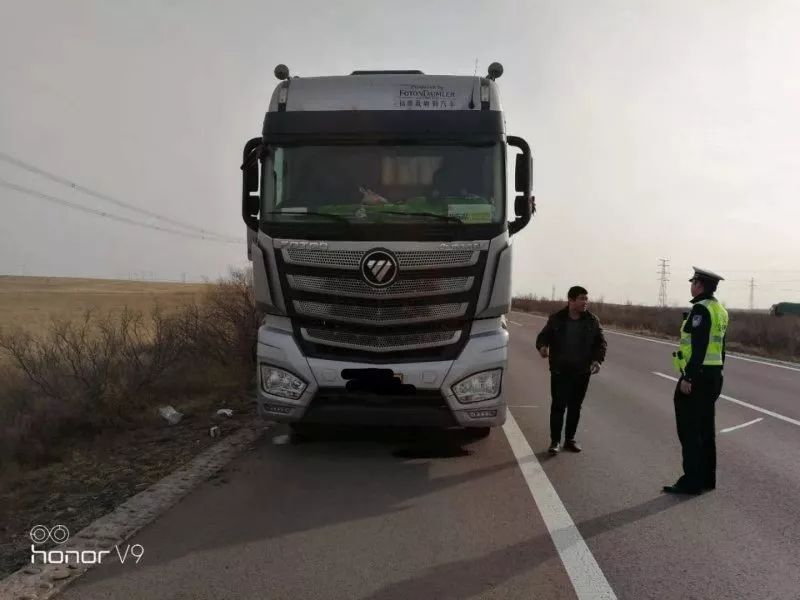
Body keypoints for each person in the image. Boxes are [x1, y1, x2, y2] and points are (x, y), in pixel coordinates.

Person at [663, 267, 729, 495]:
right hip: (713, 375)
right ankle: (707, 479)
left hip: (697, 377)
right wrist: (718, 373)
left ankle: (691, 481)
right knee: (705, 429)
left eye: (693, 281)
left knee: (690, 430)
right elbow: (721, 348)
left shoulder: (701, 309)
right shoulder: (720, 310)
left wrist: (688, 377)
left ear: (699, 285)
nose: (691, 285)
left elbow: (700, 346)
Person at [535, 286, 607, 454]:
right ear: (571, 300)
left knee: (575, 407)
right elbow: (543, 336)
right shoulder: (557, 319)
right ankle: (555, 442)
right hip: (560, 370)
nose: (585, 302)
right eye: (582, 298)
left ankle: (569, 439)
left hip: (582, 371)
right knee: (558, 406)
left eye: (586, 299)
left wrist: (597, 360)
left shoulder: (592, 320)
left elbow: (601, 342)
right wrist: (542, 347)